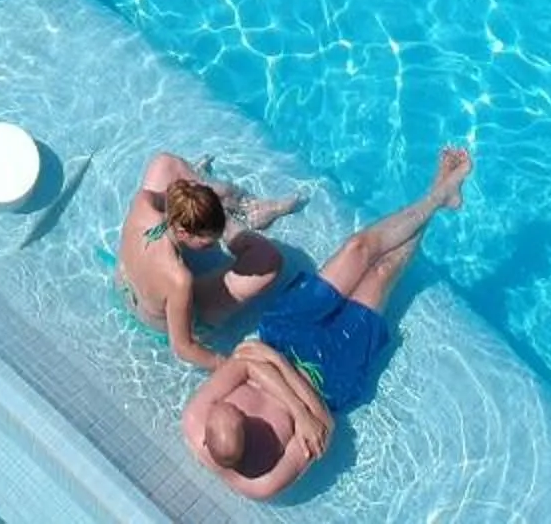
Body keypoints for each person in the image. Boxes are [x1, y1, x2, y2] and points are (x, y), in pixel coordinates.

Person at [183, 143, 474, 500]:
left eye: (232, 404)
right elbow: (325, 426)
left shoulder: (197, 417)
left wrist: (296, 406)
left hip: (286, 333)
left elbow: (249, 354)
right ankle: (440, 195)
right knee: (382, 272)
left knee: (357, 248)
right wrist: (278, 379)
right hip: (328, 374)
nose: (241, 406)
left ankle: (438, 195)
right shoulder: (265, 479)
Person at [116, 152, 305, 368]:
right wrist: (234, 367)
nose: (212, 247)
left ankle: (221, 201)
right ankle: (244, 213)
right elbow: (184, 348)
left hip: (126, 286)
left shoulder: (144, 202)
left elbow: (171, 197)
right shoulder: (179, 280)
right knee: (267, 260)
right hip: (162, 320)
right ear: (183, 232)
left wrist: (199, 199)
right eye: (207, 244)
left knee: (165, 164)